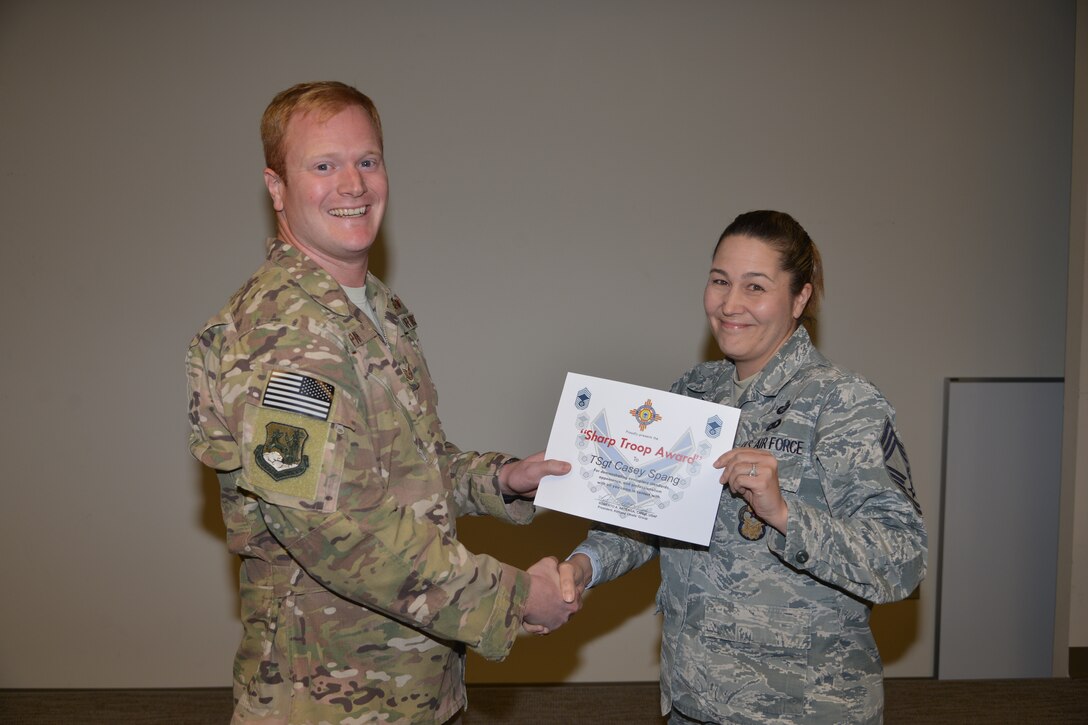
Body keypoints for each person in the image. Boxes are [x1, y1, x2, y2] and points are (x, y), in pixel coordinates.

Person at [186, 81, 577, 724]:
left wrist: (502, 480)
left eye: (367, 161)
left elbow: (409, 473)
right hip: (327, 699)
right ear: (276, 187)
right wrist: (512, 597)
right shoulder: (282, 331)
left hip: (414, 686)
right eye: (323, 165)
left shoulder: (376, 311)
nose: (353, 185)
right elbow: (336, 528)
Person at [559, 210, 927, 724]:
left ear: (800, 298)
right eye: (720, 282)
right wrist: (583, 565)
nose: (730, 304)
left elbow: (901, 561)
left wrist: (785, 513)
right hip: (694, 701)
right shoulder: (693, 392)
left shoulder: (842, 403)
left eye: (755, 287)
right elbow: (648, 514)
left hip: (803, 710)